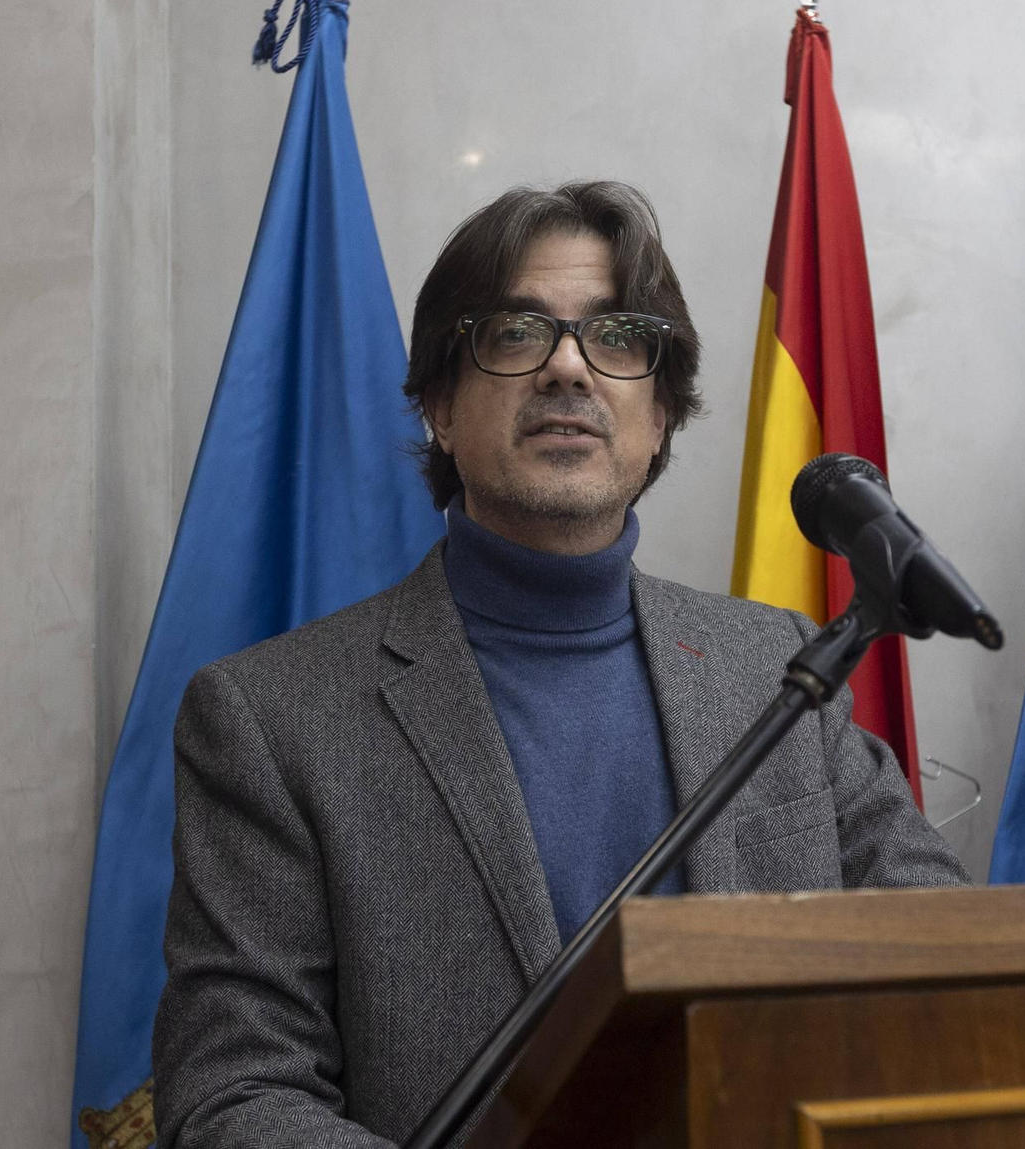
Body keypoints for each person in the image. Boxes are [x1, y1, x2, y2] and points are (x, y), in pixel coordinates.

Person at [152, 181, 967, 1147]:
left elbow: (946, 964)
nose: (569, 369)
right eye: (514, 334)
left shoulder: (779, 668)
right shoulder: (270, 717)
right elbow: (234, 1095)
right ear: (441, 409)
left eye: (617, 337)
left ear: (660, 414)